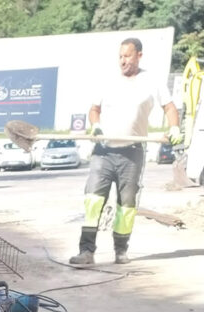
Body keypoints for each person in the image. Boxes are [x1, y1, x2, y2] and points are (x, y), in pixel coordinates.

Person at [69, 37, 182, 267]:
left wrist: (174, 127)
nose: (123, 61)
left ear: (139, 55)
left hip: (132, 153)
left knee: (127, 205)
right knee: (93, 200)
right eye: (120, 56)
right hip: (104, 150)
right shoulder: (108, 81)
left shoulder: (152, 82)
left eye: (127, 56)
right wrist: (96, 124)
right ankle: (86, 251)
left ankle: (121, 251)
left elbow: (169, 107)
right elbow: (94, 109)